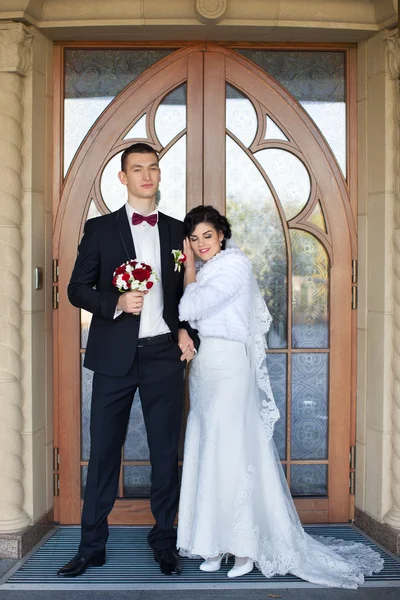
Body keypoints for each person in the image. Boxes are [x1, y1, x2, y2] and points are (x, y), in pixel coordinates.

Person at [176, 205, 384, 588]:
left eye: (207, 236)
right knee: (210, 447)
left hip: (230, 366)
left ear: (221, 234)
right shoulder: (208, 270)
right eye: (194, 239)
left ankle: (244, 546)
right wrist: (191, 287)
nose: (201, 244)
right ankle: (213, 542)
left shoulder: (235, 266)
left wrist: (188, 274)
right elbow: (190, 316)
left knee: (234, 450)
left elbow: (190, 307)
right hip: (205, 369)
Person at [58, 142, 198, 578]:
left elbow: (190, 294)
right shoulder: (100, 230)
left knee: (164, 453)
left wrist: (185, 331)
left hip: (163, 356)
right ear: (123, 177)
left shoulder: (178, 232)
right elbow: (76, 289)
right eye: (137, 169)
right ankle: (91, 546)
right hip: (113, 358)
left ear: (159, 175)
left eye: (153, 168)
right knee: (102, 452)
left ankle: (164, 543)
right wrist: (116, 301)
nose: (147, 176)